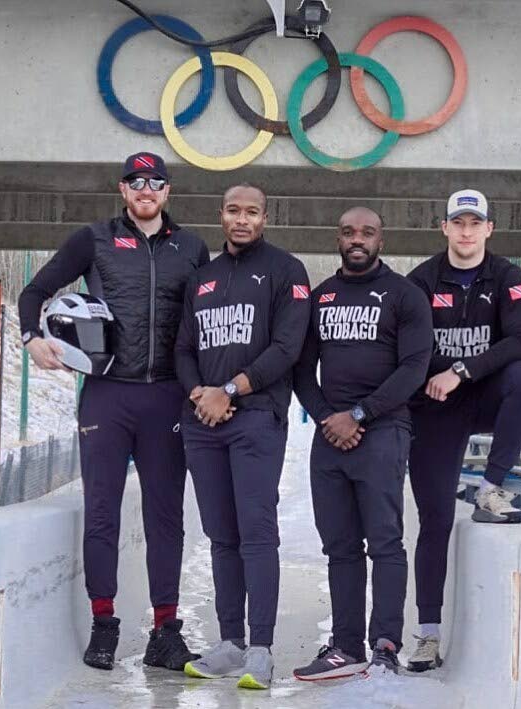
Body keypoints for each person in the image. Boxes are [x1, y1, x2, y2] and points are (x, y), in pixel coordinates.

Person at [18, 152, 209, 672]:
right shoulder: (93, 239)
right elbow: (35, 291)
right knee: (102, 510)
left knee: (165, 516)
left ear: (167, 192)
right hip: (107, 394)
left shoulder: (192, 247)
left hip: (167, 396)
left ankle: (165, 632)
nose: (146, 189)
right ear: (123, 189)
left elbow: (206, 318)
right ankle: (104, 624)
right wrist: (33, 337)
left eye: (155, 182)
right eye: (136, 181)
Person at [174, 184, 311, 690]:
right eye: (233, 210)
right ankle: (230, 642)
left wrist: (229, 390)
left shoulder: (286, 270)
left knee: (256, 531)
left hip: (255, 417)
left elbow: (287, 347)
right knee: (221, 535)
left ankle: (260, 649)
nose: (242, 219)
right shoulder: (201, 278)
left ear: (264, 218)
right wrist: (199, 393)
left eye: (252, 212)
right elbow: (183, 348)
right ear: (221, 215)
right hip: (204, 423)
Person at [291, 207, 433, 679]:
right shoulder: (321, 297)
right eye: (349, 232)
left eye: (367, 233)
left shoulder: (405, 296)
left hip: (383, 432)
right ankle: (346, 646)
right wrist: (326, 418)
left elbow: (413, 369)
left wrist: (359, 415)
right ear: (338, 238)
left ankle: (386, 645)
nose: (358, 239)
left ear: (380, 240)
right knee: (340, 546)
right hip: (330, 436)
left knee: (385, 541)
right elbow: (301, 370)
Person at [404, 189, 521, 672]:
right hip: (434, 406)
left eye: (474, 223)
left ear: (489, 229)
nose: (466, 232)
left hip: (480, 393)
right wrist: (437, 378)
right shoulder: (421, 281)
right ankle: (428, 635)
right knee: (435, 520)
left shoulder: (507, 276)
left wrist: (462, 370)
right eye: (458, 223)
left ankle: (490, 488)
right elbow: (409, 349)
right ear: (444, 227)